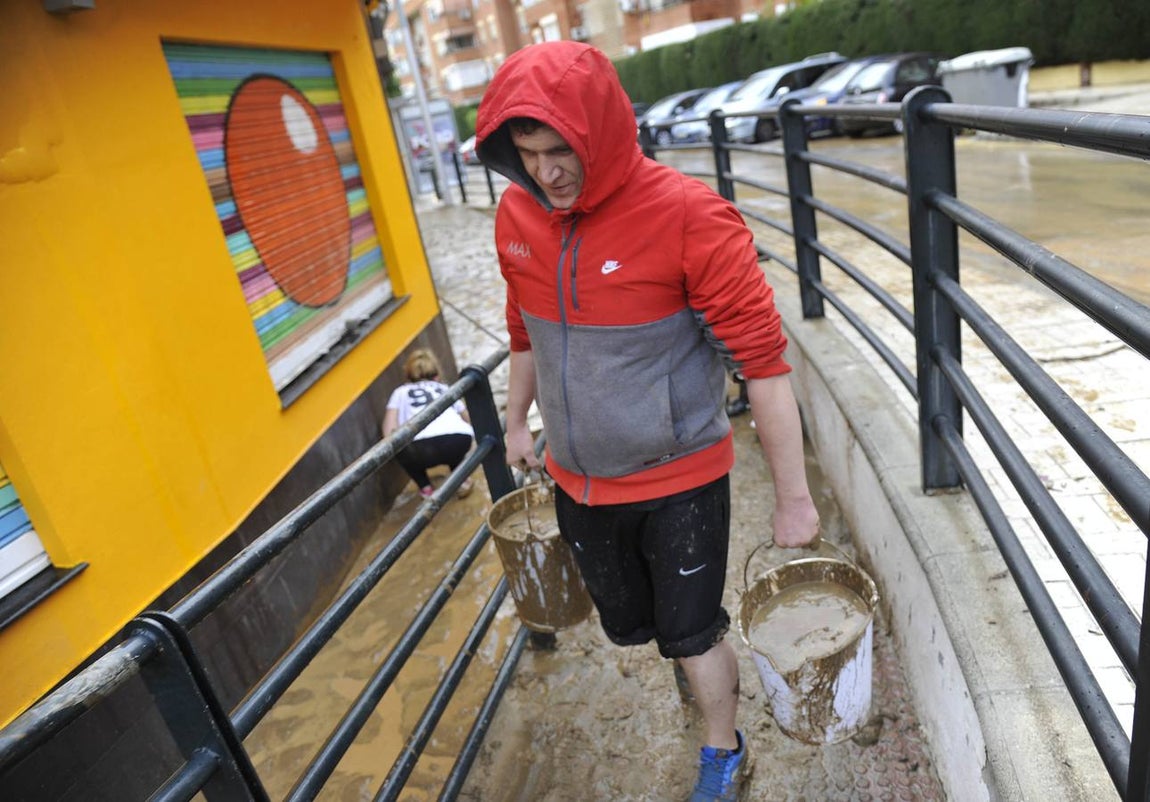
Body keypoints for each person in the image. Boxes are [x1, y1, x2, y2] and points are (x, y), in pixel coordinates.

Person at [474, 42, 819, 801]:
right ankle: (689, 673)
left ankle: (722, 746)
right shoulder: (516, 213)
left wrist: (793, 499)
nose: (546, 173)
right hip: (578, 480)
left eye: (562, 151)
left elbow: (763, 365)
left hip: (680, 481)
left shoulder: (690, 216)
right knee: (634, 625)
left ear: (601, 133)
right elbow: (524, 329)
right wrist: (517, 422)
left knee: (693, 631)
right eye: (528, 154)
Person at [383, 349, 475, 499]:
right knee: (456, 453)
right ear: (437, 375)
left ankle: (425, 487)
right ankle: (461, 478)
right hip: (458, 440)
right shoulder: (444, 388)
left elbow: (388, 431)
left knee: (399, 447)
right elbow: (467, 418)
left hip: (418, 449)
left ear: (408, 375)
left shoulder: (399, 392)